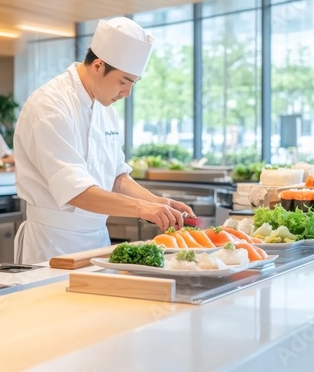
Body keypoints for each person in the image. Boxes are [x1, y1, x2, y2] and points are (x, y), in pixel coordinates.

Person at [13, 17, 196, 264]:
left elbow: (117, 178)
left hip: (97, 240)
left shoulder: (105, 108)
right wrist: (143, 209)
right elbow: (75, 191)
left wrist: (158, 202)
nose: (127, 93)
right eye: (123, 82)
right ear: (98, 65)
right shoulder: (49, 105)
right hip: (52, 242)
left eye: (133, 84)